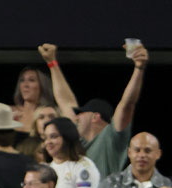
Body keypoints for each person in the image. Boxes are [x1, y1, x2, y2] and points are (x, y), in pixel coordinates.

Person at [39, 42, 149, 178]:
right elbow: (66, 102)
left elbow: (127, 104)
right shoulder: (78, 140)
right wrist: (51, 62)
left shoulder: (111, 139)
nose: (76, 117)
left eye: (81, 113)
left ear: (95, 117)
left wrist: (139, 68)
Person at [43, 117, 100, 188]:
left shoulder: (84, 166)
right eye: (45, 138)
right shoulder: (45, 168)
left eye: (53, 136)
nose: (48, 142)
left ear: (67, 137)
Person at [10, 66, 55, 134]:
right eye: (22, 80)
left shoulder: (47, 114)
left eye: (31, 80)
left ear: (42, 85)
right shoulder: (9, 111)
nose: (25, 85)